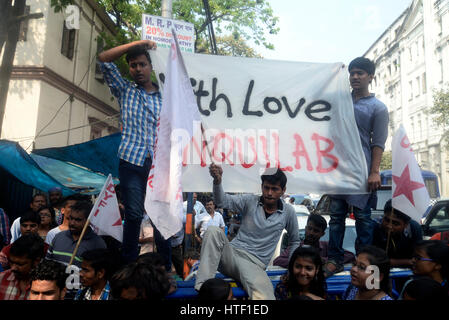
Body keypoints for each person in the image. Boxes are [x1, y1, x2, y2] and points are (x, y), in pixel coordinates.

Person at [98, 39, 169, 265]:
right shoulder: (125, 90)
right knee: (134, 215)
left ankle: (165, 266)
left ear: (151, 66)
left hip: (159, 165)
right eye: (133, 65)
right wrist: (138, 44)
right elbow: (104, 58)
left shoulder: (166, 96)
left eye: (142, 64)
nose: (137, 69)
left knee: (160, 218)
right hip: (131, 161)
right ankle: (127, 264)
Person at [194, 164, 300, 300]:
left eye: (274, 189)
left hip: (255, 266)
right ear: (262, 186)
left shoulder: (288, 212)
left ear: (283, 190)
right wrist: (217, 181)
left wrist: (291, 267)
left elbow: (295, 240)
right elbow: (222, 201)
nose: (269, 193)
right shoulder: (250, 201)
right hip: (231, 255)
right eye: (266, 187)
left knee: (266, 298)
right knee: (213, 230)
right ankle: (202, 286)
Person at [325, 57, 389, 277]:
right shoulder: (340, 102)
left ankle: (363, 262)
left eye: (360, 73)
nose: (354, 77)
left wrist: (374, 171)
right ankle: (334, 259)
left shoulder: (378, 108)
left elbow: (378, 142)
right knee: (335, 217)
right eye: (351, 73)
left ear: (371, 76)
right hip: (338, 170)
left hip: (362, 171)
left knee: (362, 218)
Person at [273, 214, 355, 268]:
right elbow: (278, 261)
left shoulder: (327, 246)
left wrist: (324, 260)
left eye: (316, 231)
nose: (311, 233)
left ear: (322, 234)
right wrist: (303, 261)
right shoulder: (296, 247)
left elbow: (350, 255)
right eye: (309, 229)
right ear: (306, 228)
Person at [46, 201, 107, 268]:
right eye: (71, 218)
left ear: (89, 221)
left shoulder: (98, 243)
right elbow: (47, 263)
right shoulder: (58, 237)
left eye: (78, 220)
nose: (72, 223)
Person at [371, 199, 422, 267]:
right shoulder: (374, 227)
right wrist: (407, 262)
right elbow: (370, 259)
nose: (389, 226)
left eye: (395, 223)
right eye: (387, 220)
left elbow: (419, 257)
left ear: (406, 224)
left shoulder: (414, 229)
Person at [0, 234, 46, 300]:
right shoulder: (2, 278)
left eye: (20, 264)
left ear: (36, 261)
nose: (13, 268)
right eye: (11, 262)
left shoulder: (47, 286)